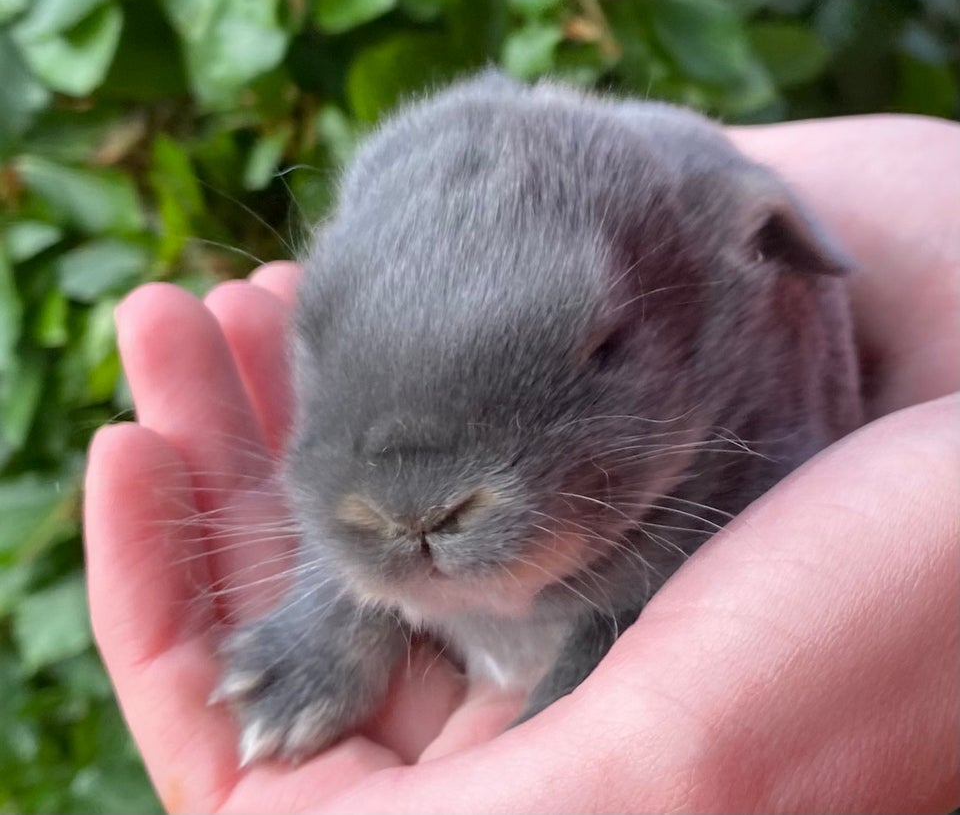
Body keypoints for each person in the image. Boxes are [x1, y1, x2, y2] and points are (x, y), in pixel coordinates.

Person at [84, 115, 960, 814]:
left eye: (601, 352)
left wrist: (585, 705)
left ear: (745, 250)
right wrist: (335, 620)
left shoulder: (743, 288)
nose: (414, 513)